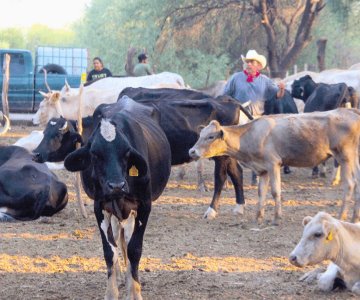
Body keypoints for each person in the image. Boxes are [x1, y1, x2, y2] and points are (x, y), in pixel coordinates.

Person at [223, 49, 286, 185]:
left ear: (258, 65)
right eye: (247, 62)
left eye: (251, 62)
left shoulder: (265, 81)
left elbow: (278, 95)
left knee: (257, 148)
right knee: (233, 147)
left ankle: (255, 175)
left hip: (256, 118)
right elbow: (224, 95)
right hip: (239, 116)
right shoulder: (236, 78)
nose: (248, 64)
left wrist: (281, 89)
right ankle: (231, 174)